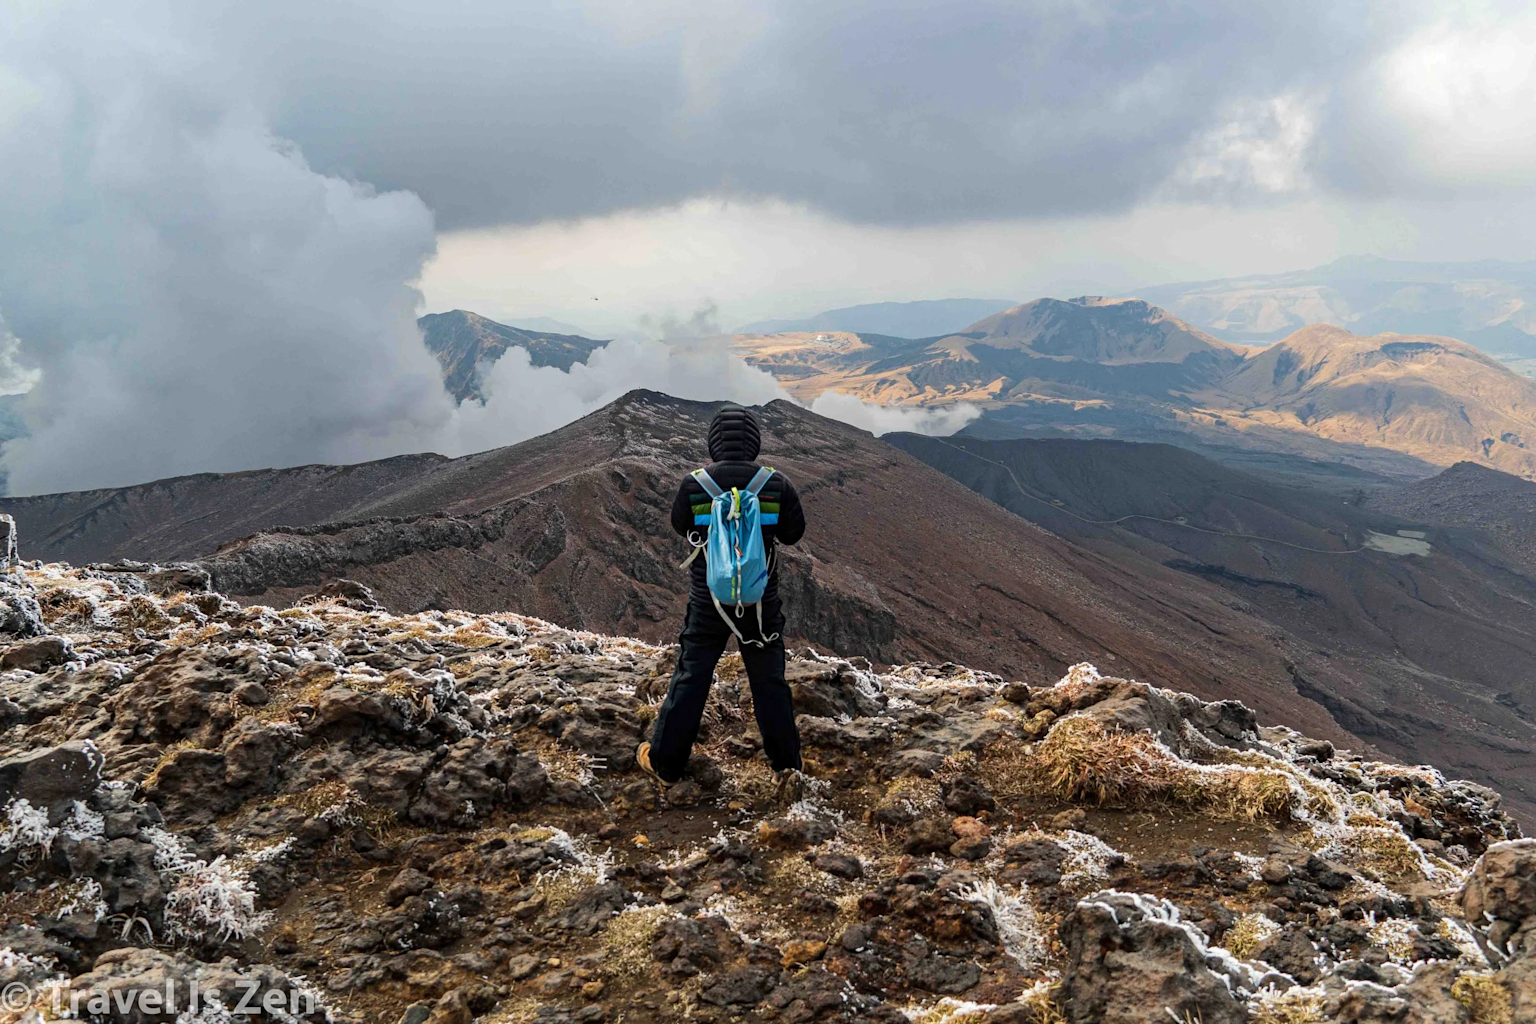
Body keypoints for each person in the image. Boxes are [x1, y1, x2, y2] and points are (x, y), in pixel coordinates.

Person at [637, 403, 806, 797]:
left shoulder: (694, 484)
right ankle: (787, 767)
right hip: (760, 605)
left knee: (692, 677)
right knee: (769, 682)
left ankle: (666, 765)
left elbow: (681, 526)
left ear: (713, 442)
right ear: (754, 442)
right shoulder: (776, 484)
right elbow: (793, 534)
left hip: (707, 602)